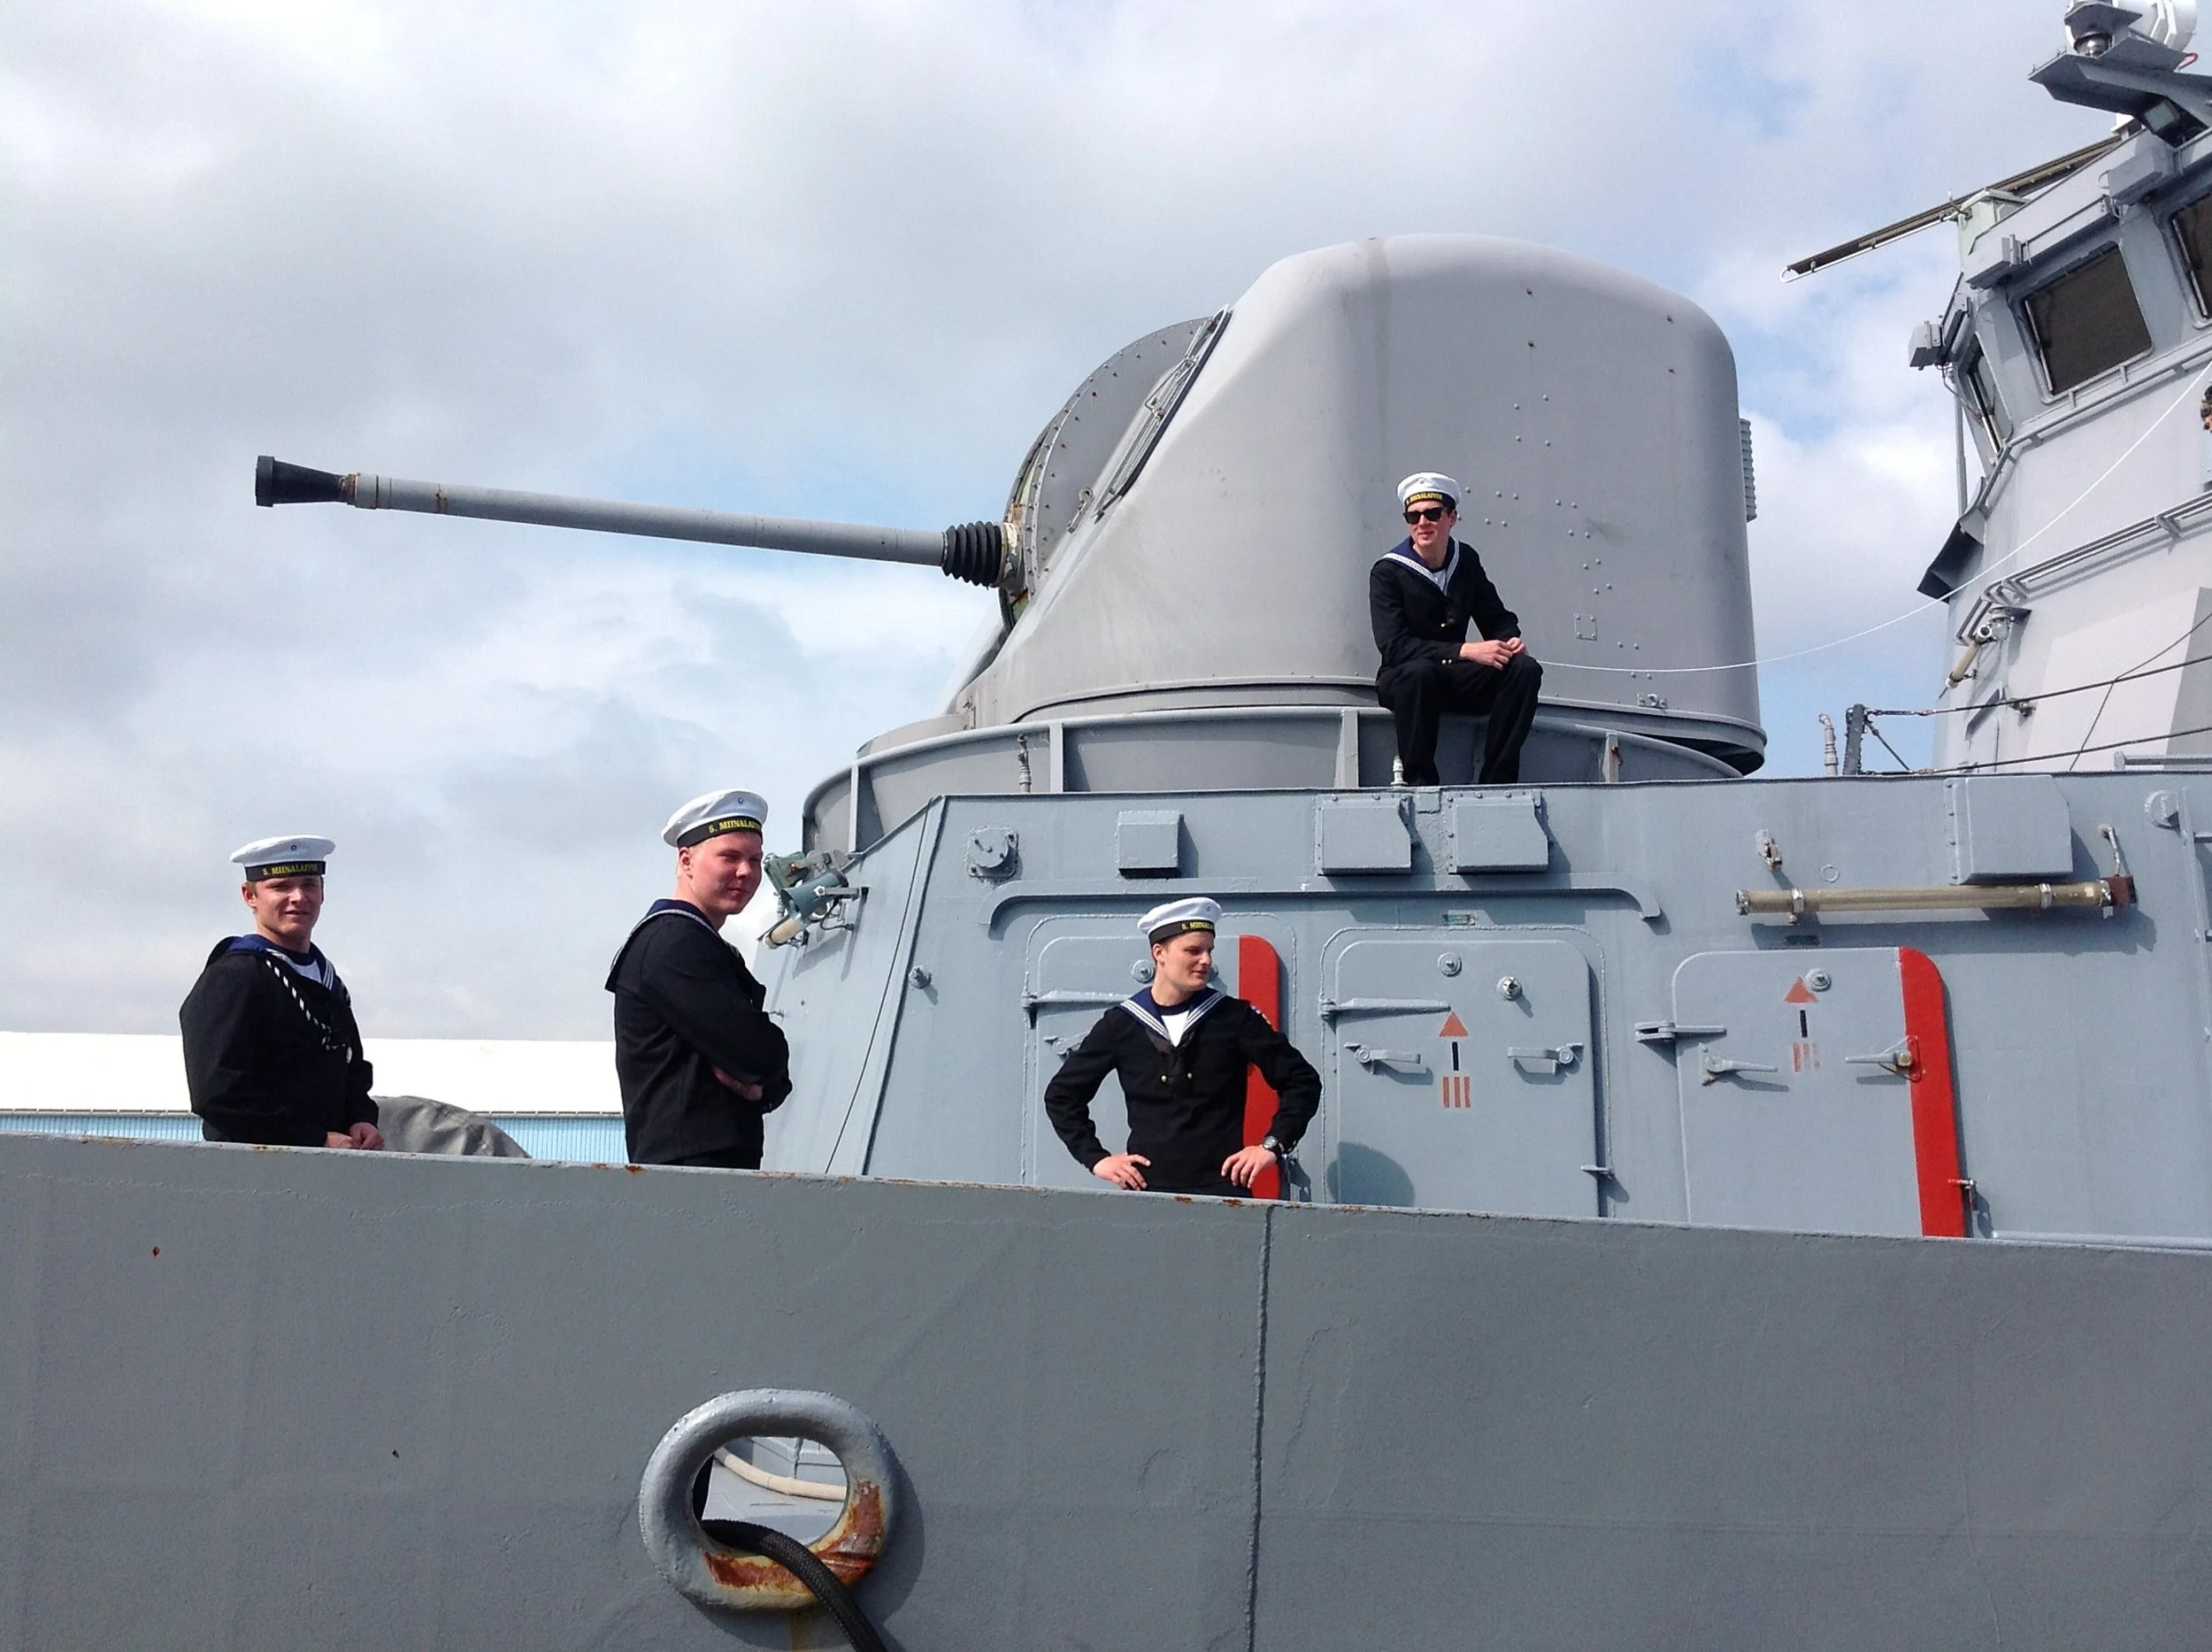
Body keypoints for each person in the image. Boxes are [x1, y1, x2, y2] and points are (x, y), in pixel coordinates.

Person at [1043, 897, 1321, 1197]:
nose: (1206, 960)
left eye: (1209, 951)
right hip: (1148, 1194)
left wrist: (1272, 1146)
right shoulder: (1122, 1023)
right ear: (1159, 953)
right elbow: (1062, 1095)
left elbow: (1302, 1081)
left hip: (1223, 1194)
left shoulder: (1233, 1018)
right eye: (1193, 951)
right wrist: (1095, 1158)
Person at [606, 788, 791, 1168]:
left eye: (755, 860)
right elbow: (759, 1054)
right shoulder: (673, 943)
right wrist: (762, 1071)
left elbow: (764, 1066)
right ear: (686, 860)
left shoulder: (698, 943)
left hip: (707, 1171)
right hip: (691, 1173)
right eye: (730, 857)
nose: (746, 871)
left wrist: (762, 1086)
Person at [179, 834, 383, 1150]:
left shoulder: (329, 982)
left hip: (330, 1164)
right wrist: (314, 1140)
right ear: (250, 896)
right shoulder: (234, 976)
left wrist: (361, 1118)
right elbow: (217, 1093)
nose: (299, 897)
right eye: (281, 886)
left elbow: (352, 1069)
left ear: (322, 892)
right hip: (255, 1165)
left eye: (309, 885)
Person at [1370, 469, 1543, 787]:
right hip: (1406, 679)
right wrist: (1466, 650)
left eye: (1433, 514)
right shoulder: (1388, 572)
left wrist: (1510, 640)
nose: (1422, 523)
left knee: (1524, 670)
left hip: (1450, 677)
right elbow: (1394, 647)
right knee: (1419, 673)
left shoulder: (1466, 562)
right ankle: (1421, 782)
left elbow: (1496, 617)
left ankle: (1497, 780)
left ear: (1452, 518)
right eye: (1413, 516)